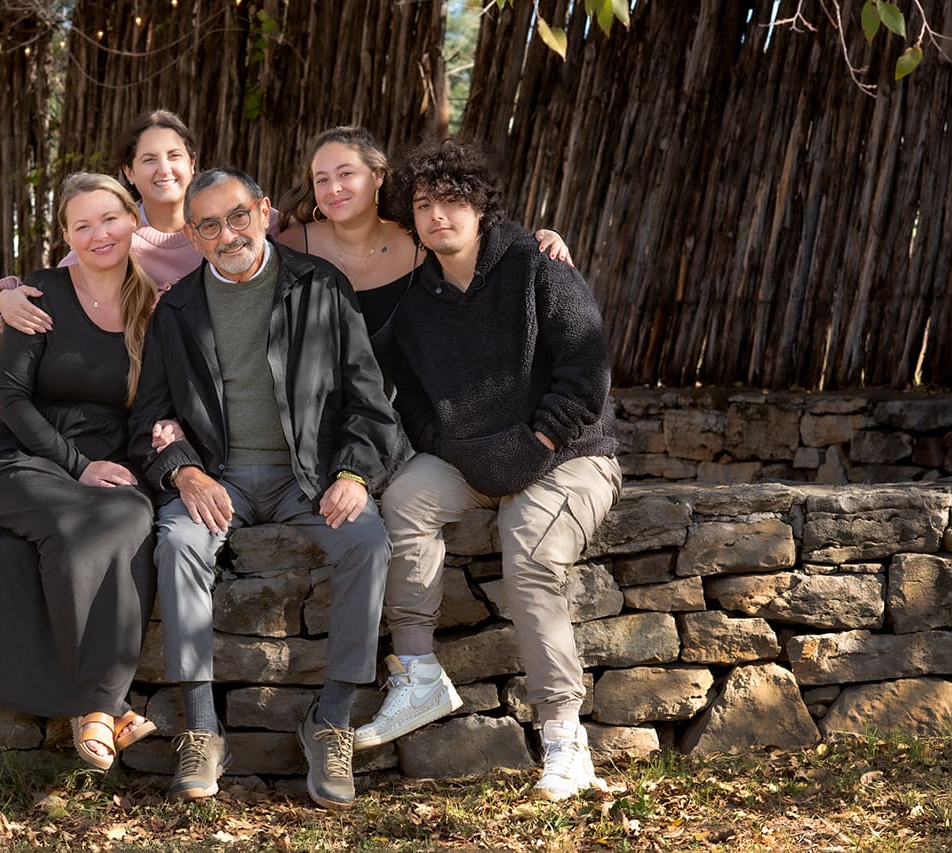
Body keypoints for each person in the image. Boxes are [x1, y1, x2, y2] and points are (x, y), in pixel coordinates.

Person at [358, 139, 622, 803]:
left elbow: (586, 369)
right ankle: (417, 673)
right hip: (480, 458)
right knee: (408, 496)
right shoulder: (413, 310)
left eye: (453, 201)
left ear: (479, 206)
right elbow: (416, 409)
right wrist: (462, 449)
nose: (438, 215)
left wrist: (537, 438)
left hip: (570, 454)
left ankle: (564, 739)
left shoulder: (537, 266)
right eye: (424, 204)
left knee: (529, 548)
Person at [129, 168, 397, 810]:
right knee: (177, 543)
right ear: (192, 235)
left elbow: (369, 401)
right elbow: (149, 415)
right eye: (211, 225)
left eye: (239, 216)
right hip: (215, 479)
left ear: (265, 211)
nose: (229, 235)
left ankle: (331, 718)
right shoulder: (180, 307)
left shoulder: (320, 286)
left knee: (368, 542)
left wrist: (355, 474)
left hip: (308, 477)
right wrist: (186, 472)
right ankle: (201, 726)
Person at [0, 173, 165, 772]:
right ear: (66, 235)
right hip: (23, 457)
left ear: (132, 220)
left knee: (134, 516)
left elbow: (153, 406)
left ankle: (97, 707)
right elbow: (11, 401)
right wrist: (78, 467)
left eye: (109, 219)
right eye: (81, 225)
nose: (98, 235)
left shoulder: (152, 306)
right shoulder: (36, 295)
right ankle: (103, 707)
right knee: (77, 529)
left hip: (110, 463)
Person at [276, 125, 572, 373]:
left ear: (377, 176)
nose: (334, 189)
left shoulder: (420, 239)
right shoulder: (291, 245)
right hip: (314, 413)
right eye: (322, 180)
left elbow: (480, 241)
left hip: (403, 416)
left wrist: (541, 239)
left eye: (345, 174)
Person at [0, 110, 204, 336]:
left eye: (174, 155)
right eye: (149, 159)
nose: (164, 169)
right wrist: (4, 299)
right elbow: (55, 290)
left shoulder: (216, 231)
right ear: (129, 172)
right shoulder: (116, 237)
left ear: (192, 162)